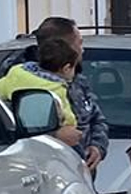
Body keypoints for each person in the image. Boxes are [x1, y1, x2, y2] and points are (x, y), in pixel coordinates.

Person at [27, 17, 109, 173]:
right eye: (79, 43)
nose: (82, 49)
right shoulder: (23, 81)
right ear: (63, 46)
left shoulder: (77, 80)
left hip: (81, 175)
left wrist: (97, 147)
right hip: (44, 177)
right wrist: (54, 136)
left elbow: (96, 118)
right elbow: (10, 130)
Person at [0, 35, 80, 145]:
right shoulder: (56, 89)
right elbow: (68, 120)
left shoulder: (15, 74)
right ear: (66, 68)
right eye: (74, 68)